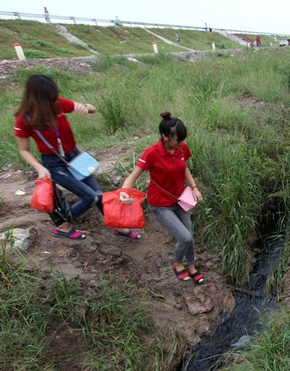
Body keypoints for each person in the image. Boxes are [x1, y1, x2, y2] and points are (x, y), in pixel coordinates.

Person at [14, 74, 141, 241]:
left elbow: (92, 108)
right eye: (50, 97)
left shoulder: (58, 104)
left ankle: (117, 225)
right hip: (54, 163)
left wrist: (84, 107)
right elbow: (24, 150)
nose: (54, 100)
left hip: (74, 156)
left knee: (99, 194)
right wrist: (40, 168)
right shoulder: (24, 118)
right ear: (39, 98)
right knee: (90, 196)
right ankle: (63, 226)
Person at [119, 112, 206, 285]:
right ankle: (177, 263)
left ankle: (192, 266)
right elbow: (133, 176)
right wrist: (123, 191)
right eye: (177, 140)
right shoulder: (152, 153)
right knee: (185, 237)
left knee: (190, 235)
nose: (180, 143)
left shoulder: (182, 147)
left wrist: (194, 187)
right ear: (165, 137)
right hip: (160, 204)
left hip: (179, 199)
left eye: (182, 140)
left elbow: (184, 168)